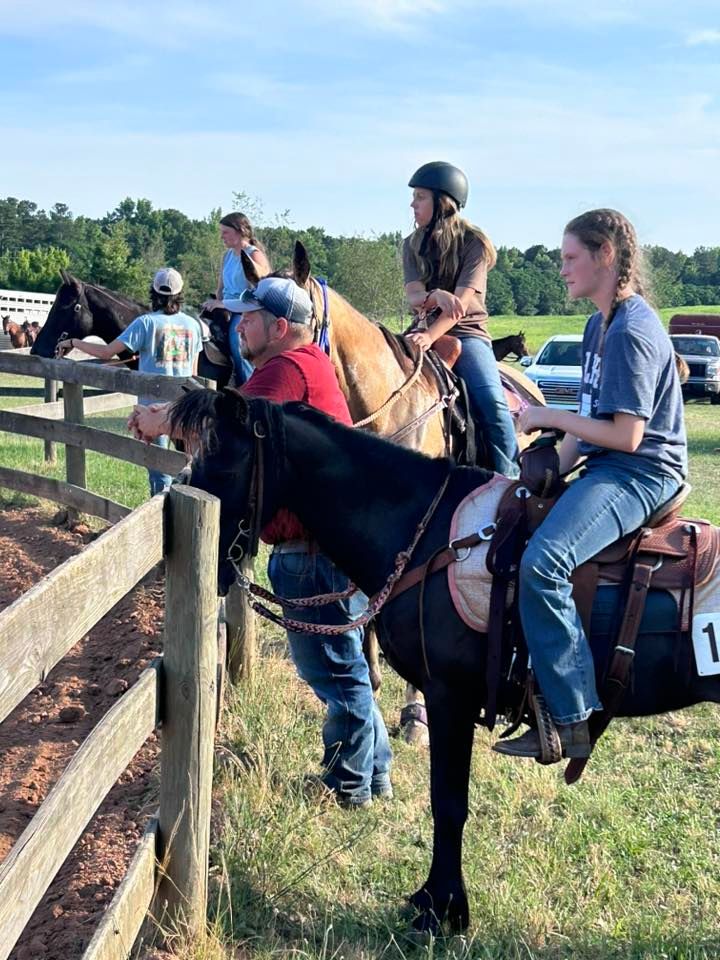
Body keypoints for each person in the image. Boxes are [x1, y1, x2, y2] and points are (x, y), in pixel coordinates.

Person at [130, 277, 393, 808]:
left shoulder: (286, 369)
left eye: (247, 317)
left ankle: (349, 786)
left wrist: (164, 418)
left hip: (316, 549)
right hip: (330, 544)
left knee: (334, 671)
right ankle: (373, 775)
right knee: (346, 666)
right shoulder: (305, 365)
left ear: (279, 326)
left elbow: (231, 425)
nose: (237, 324)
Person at [494, 209, 688, 761]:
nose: (561, 269)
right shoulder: (597, 324)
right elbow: (589, 418)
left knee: (545, 564)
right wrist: (553, 459)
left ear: (606, 255)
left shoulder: (632, 329)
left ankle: (571, 714)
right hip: (608, 464)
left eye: (570, 258)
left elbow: (626, 435)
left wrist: (545, 418)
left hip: (642, 471)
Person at [403, 161, 519, 477]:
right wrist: (435, 296)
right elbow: (414, 297)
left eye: (420, 197)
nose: (412, 204)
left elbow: (462, 305)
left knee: (492, 404)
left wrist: (429, 337)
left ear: (443, 202)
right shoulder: (411, 245)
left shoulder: (474, 244)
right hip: (422, 328)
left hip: (467, 334)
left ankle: (512, 479)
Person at [58, 267, 201, 496]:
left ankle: (161, 520)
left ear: (153, 293)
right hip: (184, 408)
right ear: (179, 294)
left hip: (151, 410)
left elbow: (106, 352)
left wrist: (74, 342)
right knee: (191, 467)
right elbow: (193, 373)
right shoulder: (193, 326)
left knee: (158, 472)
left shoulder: (145, 323)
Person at [202, 212, 271, 387]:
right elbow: (221, 289)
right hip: (225, 306)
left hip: (247, 309)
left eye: (225, 232)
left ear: (239, 231)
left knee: (237, 341)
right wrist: (213, 304)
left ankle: (250, 386)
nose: (221, 237)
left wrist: (222, 303)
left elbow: (261, 294)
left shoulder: (254, 256)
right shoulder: (227, 256)